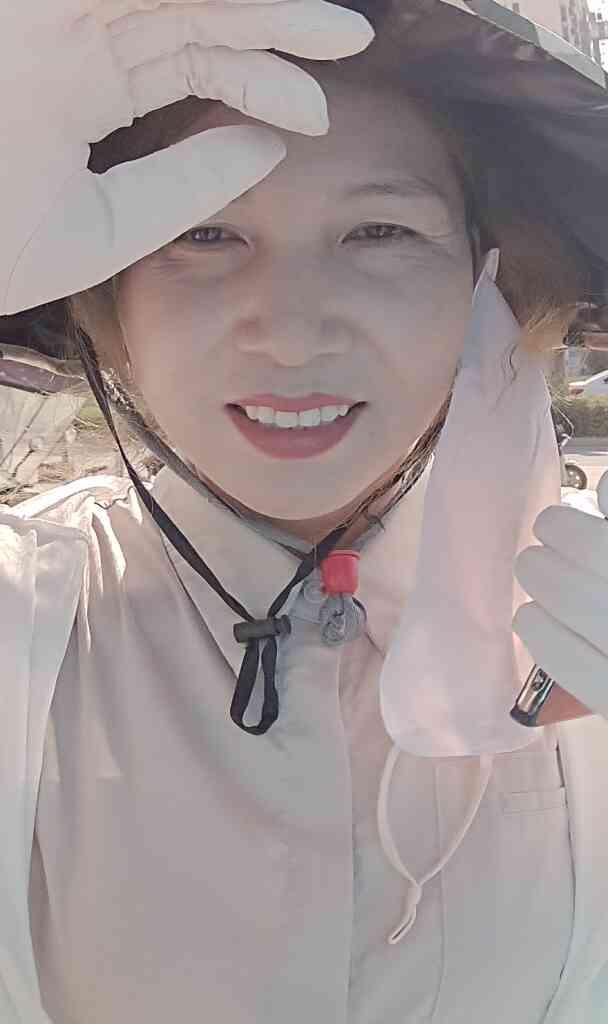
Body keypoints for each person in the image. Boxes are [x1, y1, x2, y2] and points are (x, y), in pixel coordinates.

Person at [1, 1, 608, 1021]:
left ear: (484, 277)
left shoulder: (574, 607)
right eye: (203, 232)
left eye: (380, 231)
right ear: (105, 290)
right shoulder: (28, 618)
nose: (290, 333)